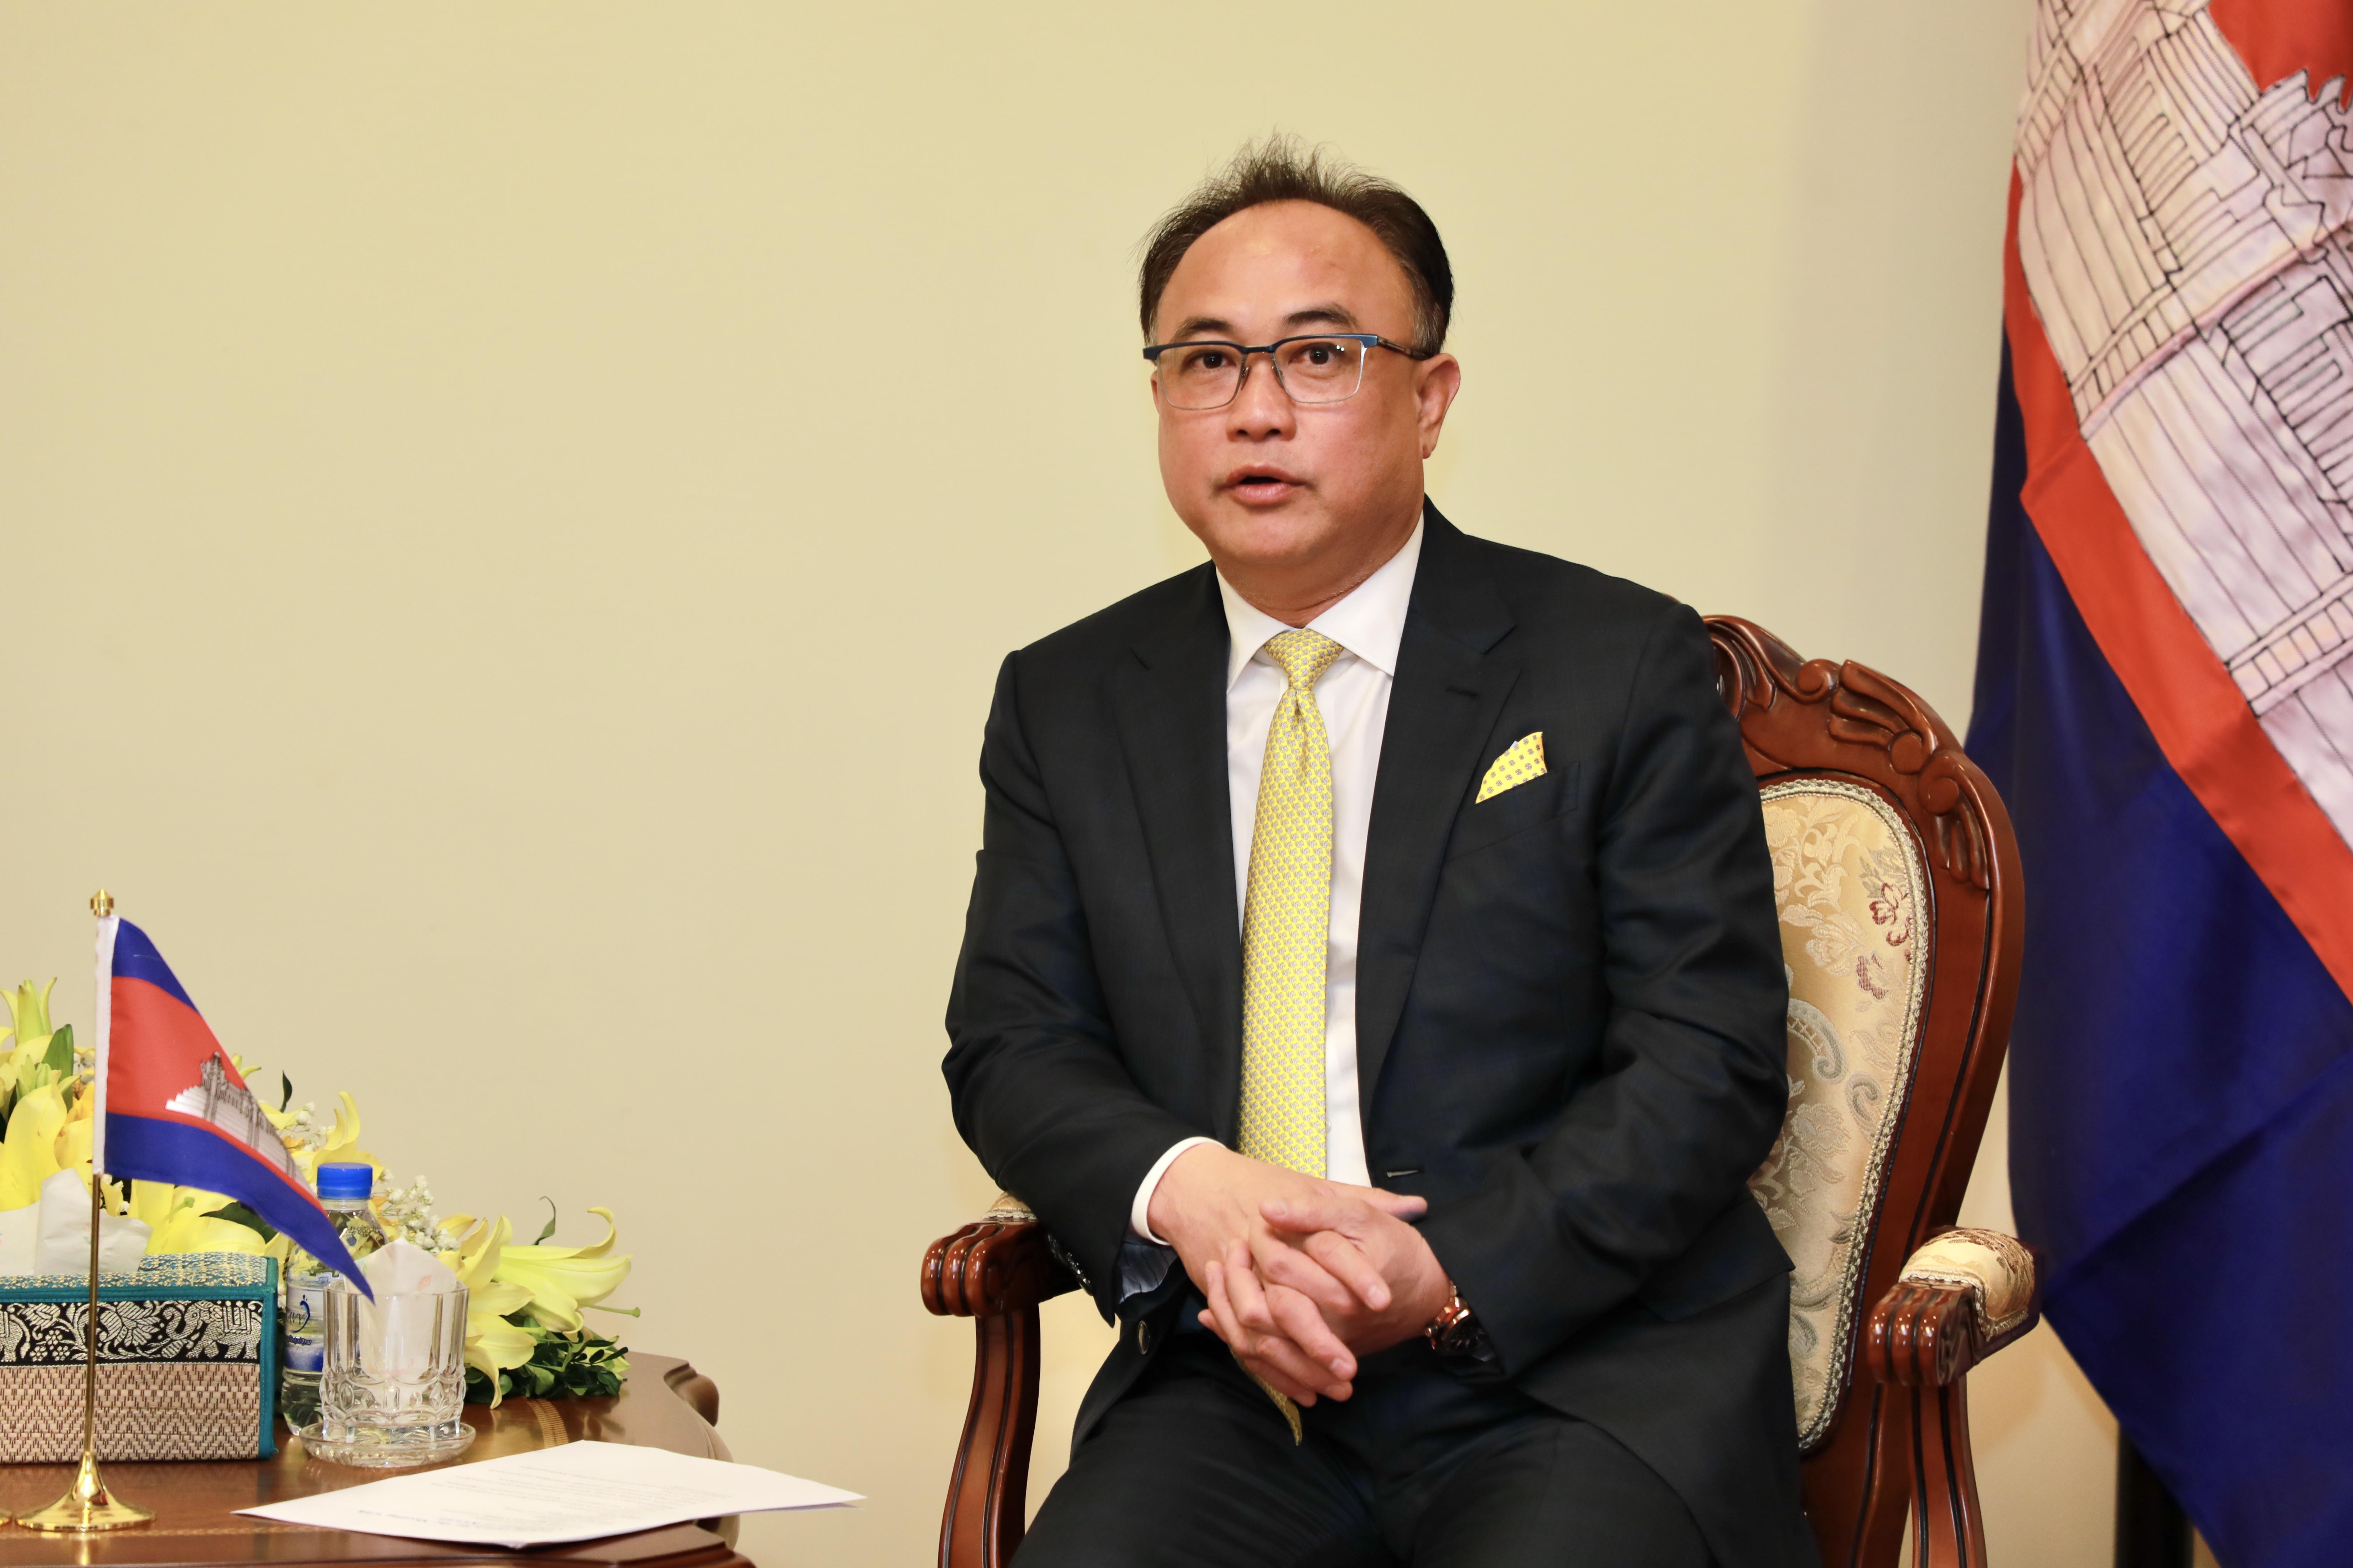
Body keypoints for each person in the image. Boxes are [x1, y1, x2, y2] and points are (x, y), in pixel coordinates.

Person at [944, 139, 1808, 1568]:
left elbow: (1705, 1055)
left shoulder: (1612, 662)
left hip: (1572, 1371)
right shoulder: (1069, 697)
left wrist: (1448, 1268)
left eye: (1318, 355)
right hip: (1237, 1384)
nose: (1256, 410)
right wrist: (1186, 1189)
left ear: (1429, 397)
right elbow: (1012, 1044)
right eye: (1206, 361)